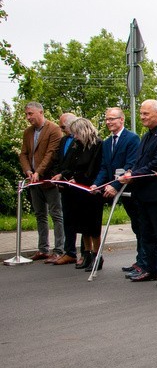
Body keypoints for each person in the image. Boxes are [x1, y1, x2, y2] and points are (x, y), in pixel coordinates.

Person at [119, 100, 157, 285]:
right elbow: (140, 161)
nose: (143, 117)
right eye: (141, 113)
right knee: (147, 234)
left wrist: (133, 175)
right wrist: (130, 171)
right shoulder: (147, 136)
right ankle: (152, 269)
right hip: (143, 194)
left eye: (146, 114)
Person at [90, 107, 143, 277]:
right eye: (106, 119)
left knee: (141, 227)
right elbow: (105, 167)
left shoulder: (132, 139)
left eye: (112, 119)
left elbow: (130, 166)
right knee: (136, 227)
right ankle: (140, 261)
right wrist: (96, 185)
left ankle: (143, 262)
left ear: (122, 120)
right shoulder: (107, 143)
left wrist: (115, 186)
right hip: (120, 190)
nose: (108, 122)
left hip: (132, 190)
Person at [51, 118, 104, 271]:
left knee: (93, 226)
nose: (74, 137)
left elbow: (94, 166)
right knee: (83, 226)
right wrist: (63, 174)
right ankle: (86, 254)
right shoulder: (77, 145)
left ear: (83, 131)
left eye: (76, 133)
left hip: (90, 189)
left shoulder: (97, 144)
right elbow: (70, 164)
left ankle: (97, 255)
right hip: (77, 190)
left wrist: (79, 178)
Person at [19, 102, 65, 262]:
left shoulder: (53, 130)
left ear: (41, 112)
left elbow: (51, 154)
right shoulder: (28, 132)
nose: (28, 117)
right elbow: (23, 154)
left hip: (49, 179)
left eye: (30, 114)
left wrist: (39, 172)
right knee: (40, 214)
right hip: (34, 180)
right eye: (26, 114)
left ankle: (59, 250)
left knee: (56, 214)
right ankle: (43, 249)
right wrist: (29, 171)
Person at [50, 112, 78, 265]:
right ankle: (70, 251)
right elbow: (57, 161)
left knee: (77, 220)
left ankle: (81, 252)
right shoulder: (64, 140)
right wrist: (57, 175)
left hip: (76, 184)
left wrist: (65, 175)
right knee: (67, 218)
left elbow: (77, 163)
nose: (61, 130)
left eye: (63, 127)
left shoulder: (80, 141)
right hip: (64, 186)